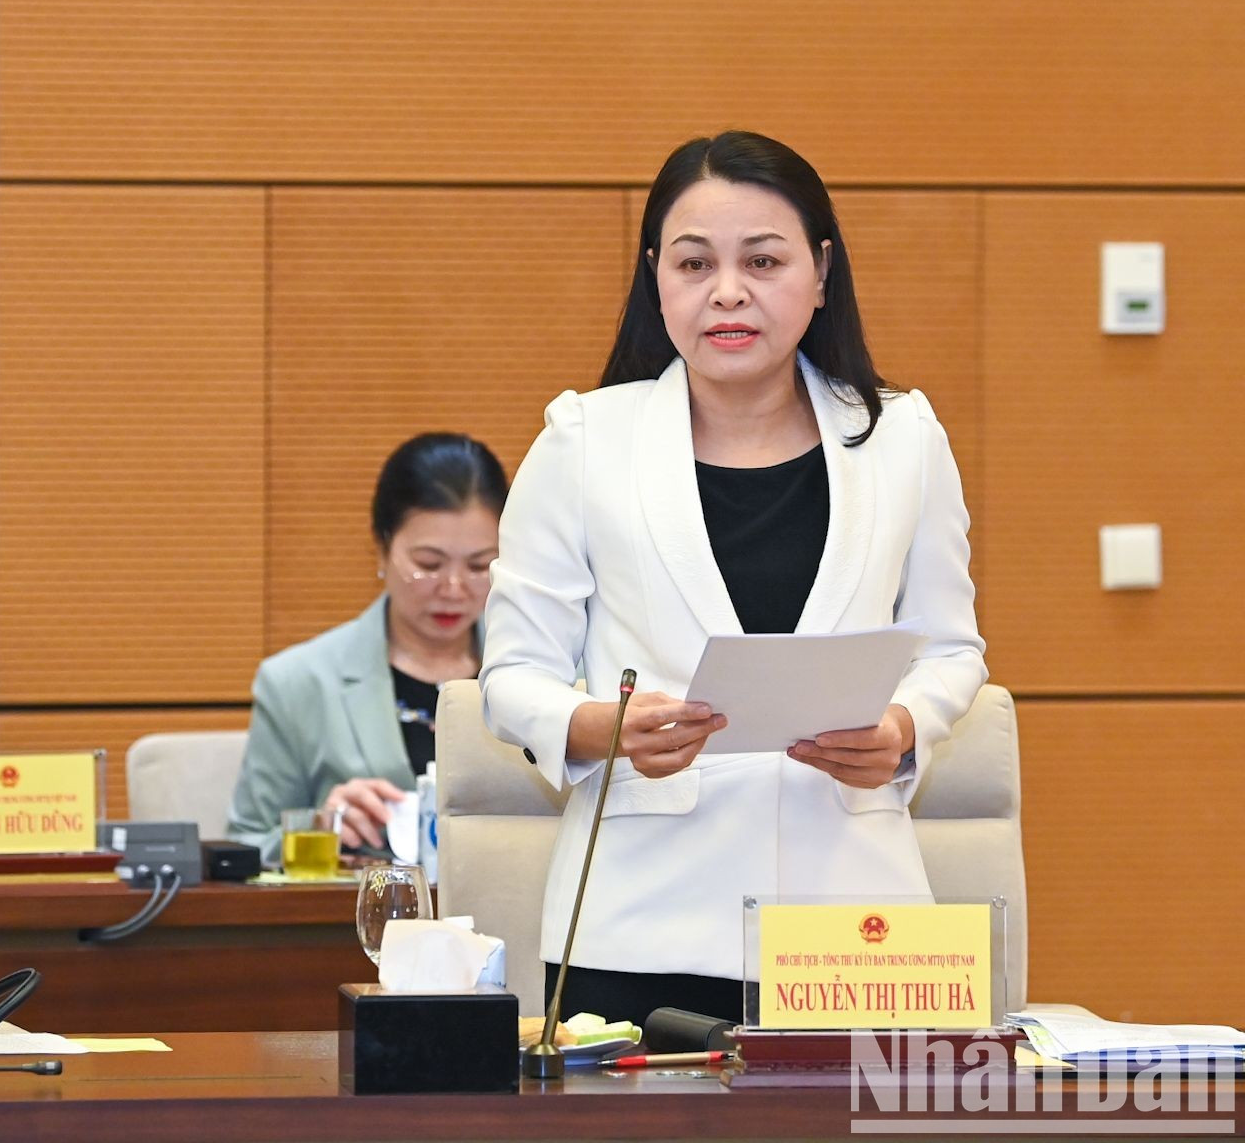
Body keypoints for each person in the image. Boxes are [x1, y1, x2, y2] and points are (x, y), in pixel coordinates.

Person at [480, 131, 986, 1028]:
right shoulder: (583, 441)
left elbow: (950, 648)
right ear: (656, 277)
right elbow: (512, 675)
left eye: (763, 259)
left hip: (855, 924)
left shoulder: (903, 437)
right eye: (693, 262)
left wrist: (905, 728)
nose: (728, 291)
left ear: (821, 271)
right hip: (638, 925)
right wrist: (603, 727)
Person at [228, 433, 508, 862]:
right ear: (380, 549)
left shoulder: (543, 673)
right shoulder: (299, 681)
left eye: (478, 565)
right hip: (359, 923)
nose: (454, 589)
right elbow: (244, 843)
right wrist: (320, 833)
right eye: (429, 565)